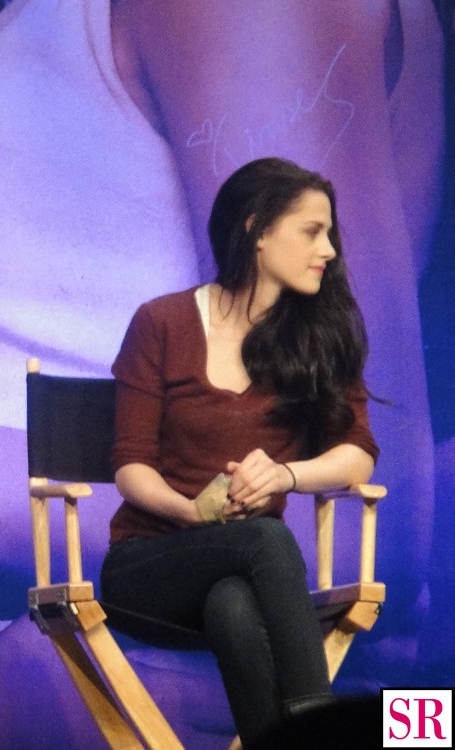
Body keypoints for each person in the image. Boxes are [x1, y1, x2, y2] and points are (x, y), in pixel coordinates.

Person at [100, 157, 379, 746]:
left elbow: (357, 454)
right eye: (312, 232)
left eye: (329, 234)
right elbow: (130, 467)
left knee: (233, 605)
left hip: (245, 579)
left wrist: (283, 475)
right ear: (256, 230)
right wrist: (191, 512)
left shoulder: (318, 337)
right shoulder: (162, 322)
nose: (328, 250)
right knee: (266, 539)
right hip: (148, 565)